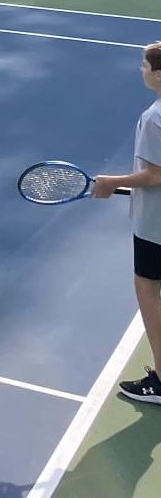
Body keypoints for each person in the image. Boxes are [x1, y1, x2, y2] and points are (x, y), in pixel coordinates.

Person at [92, 42, 161, 403]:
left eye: (144, 65)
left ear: (159, 74)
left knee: (148, 290)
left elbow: (154, 175)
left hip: (156, 227)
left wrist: (110, 182)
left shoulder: (155, 118)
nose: (141, 70)